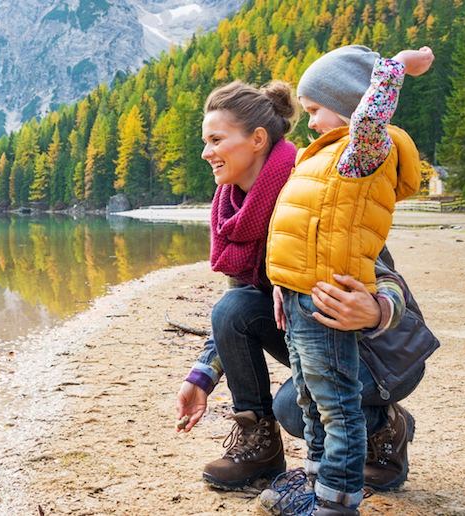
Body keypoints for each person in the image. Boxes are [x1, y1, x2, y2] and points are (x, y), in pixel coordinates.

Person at [175, 49, 436, 513]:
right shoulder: (239, 210)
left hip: (378, 349)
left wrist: (377, 308)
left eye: (216, 140)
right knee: (233, 310)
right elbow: (239, 303)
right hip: (311, 330)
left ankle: (384, 428)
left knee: (297, 407)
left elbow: (385, 272)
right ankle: (259, 447)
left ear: (256, 139)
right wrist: (202, 376)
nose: (206, 152)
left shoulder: (319, 182)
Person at [259, 44, 435, 516]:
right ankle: (315, 487)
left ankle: (338, 503)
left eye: (316, 110)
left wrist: (395, 68)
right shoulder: (324, 158)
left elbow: (371, 117)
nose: (310, 122)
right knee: (312, 401)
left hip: (330, 302)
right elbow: (305, 232)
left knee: (336, 406)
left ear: (352, 104)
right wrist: (284, 282)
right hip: (301, 298)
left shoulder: (363, 154)